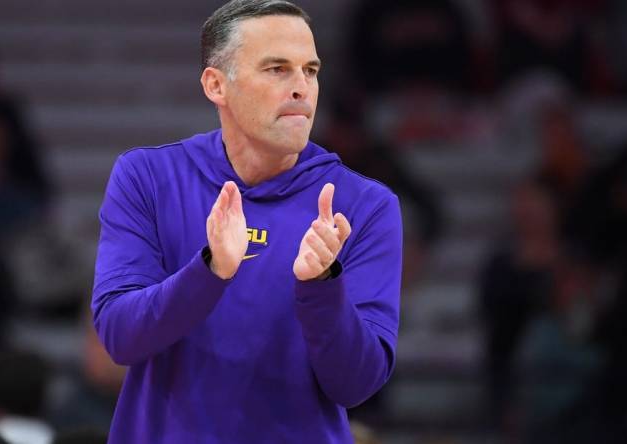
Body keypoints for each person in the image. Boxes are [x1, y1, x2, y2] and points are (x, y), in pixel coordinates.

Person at [92, 1, 403, 442]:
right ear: (216, 84)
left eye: (310, 71)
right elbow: (120, 338)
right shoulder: (148, 178)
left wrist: (322, 286)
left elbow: (357, 385)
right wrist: (210, 271)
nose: (302, 89)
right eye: (277, 69)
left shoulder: (365, 205)